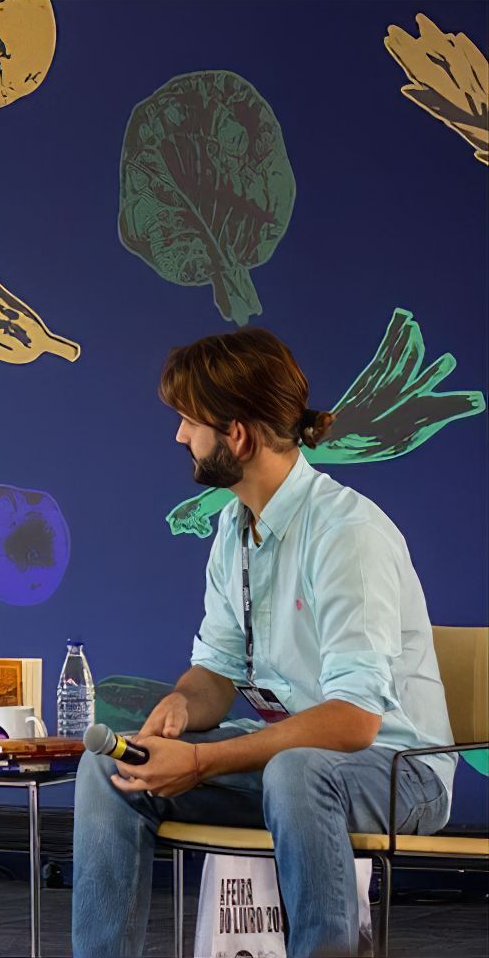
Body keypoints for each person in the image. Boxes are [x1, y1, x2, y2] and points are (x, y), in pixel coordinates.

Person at [71, 328, 455, 958]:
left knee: (296, 772)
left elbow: (356, 722)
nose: (179, 437)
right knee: (109, 768)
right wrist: (181, 709)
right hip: (295, 769)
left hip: (401, 772)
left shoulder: (348, 534)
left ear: (237, 436)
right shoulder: (232, 526)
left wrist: (198, 762)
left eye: (189, 422)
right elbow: (216, 672)